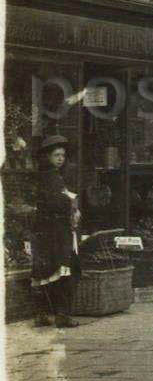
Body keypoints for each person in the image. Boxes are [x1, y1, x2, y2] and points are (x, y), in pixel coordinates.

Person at [31, 135, 79, 328]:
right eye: (56, 155)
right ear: (48, 157)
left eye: (63, 155)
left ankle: (43, 313)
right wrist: (70, 201)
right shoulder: (50, 177)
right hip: (56, 231)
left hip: (50, 230)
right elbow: (56, 202)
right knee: (63, 270)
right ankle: (62, 315)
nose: (61, 158)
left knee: (45, 271)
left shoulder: (54, 175)